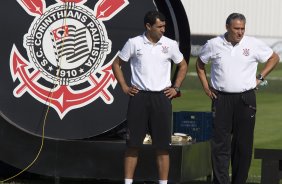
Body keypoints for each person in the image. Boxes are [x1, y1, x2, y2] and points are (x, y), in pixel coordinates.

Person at [196, 13, 279, 184]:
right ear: (227, 27)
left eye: (242, 28)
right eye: (236, 28)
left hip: (245, 99)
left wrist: (260, 77)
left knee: (243, 145)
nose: (240, 32)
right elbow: (200, 63)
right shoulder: (214, 44)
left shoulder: (253, 43)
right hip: (221, 99)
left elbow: (274, 58)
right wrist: (206, 86)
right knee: (220, 145)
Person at [112, 10, 187, 184]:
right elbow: (116, 64)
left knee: (163, 147)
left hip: (162, 98)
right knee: (133, 145)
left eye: (164, 26)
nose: (163, 30)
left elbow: (182, 65)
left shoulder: (170, 44)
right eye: (159, 26)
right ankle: (128, 182)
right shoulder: (134, 43)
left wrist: (176, 87)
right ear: (148, 26)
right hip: (139, 98)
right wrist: (124, 86)